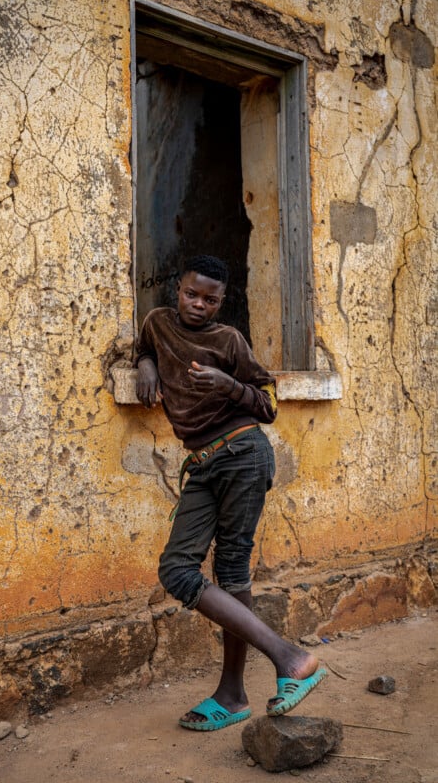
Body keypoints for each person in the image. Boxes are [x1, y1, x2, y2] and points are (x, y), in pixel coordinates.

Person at [135, 254, 326, 731]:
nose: (198, 305)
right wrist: (145, 365)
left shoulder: (229, 340)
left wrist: (228, 384)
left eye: (210, 299)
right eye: (191, 294)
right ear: (176, 290)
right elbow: (142, 348)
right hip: (201, 463)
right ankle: (275, 666)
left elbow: (269, 403)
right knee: (178, 570)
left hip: (243, 453)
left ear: (222, 302)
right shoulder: (157, 323)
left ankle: (246, 683)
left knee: (232, 567)